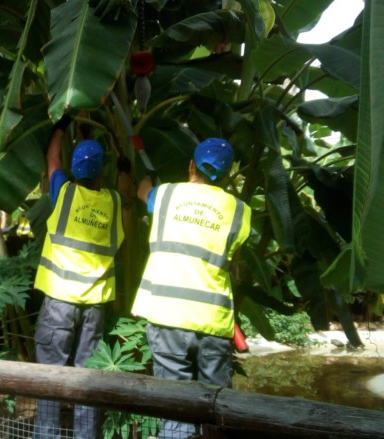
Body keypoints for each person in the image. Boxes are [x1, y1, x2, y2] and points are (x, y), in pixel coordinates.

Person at [131, 138, 251, 439]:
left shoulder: (165, 195)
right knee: (215, 407)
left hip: (168, 316)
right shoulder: (239, 210)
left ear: (191, 165)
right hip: (213, 321)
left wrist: (145, 176)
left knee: (175, 408)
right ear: (227, 174)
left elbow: (142, 190)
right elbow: (233, 256)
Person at [32, 115, 131, 439]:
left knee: (50, 377)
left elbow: (51, 159)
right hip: (94, 307)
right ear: (103, 171)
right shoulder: (114, 201)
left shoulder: (63, 193)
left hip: (59, 302)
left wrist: (60, 126)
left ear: (74, 169)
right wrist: (124, 160)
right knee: (88, 378)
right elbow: (126, 189)